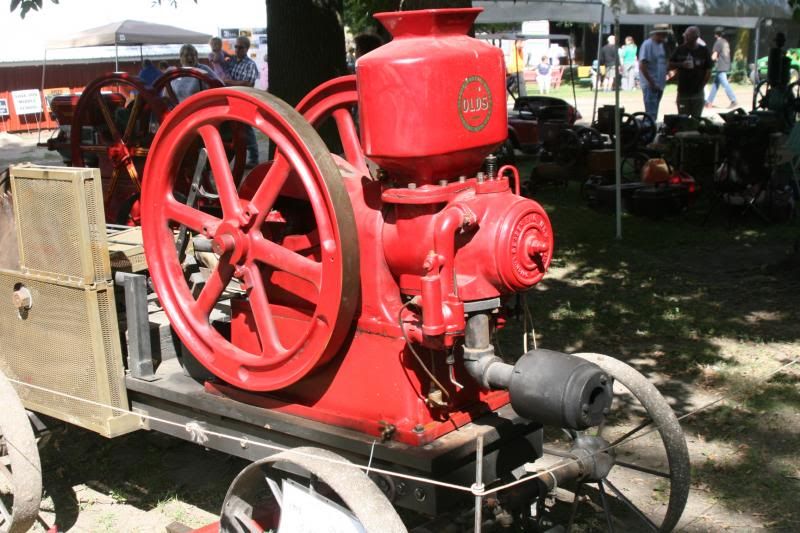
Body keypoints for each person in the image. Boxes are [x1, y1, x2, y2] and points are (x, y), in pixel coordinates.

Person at [224, 36, 260, 167]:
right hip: (231, 100)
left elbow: (248, 84)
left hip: (244, 101)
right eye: (236, 47)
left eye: (241, 47)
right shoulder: (231, 62)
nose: (238, 49)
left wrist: (230, 82)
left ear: (247, 49)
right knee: (234, 130)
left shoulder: (250, 64)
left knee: (247, 129)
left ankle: (254, 159)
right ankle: (237, 158)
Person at [668, 26, 711, 118]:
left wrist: (703, 84)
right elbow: (669, 65)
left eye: (687, 36)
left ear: (695, 38)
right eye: (685, 35)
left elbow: (708, 70)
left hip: (698, 92)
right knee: (683, 117)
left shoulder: (704, 51)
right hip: (683, 91)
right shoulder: (680, 49)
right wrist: (681, 65)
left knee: (696, 118)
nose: (685, 37)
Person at [639, 24, 671, 120]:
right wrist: (651, 82)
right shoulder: (648, 45)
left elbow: (663, 62)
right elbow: (642, 65)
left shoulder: (661, 45)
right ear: (657, 34)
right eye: (664, 34)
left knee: (654, 111)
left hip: (659, 84)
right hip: (650, 84)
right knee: (651, 112)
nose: (665, 37)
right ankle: (648, 132)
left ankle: (650, 129)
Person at [705, 27, 738, 109]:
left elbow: (714, 56)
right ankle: (709, 102)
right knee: (715, 84)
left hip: (721, 66)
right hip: (726, 64)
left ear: (715, 34)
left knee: (725, 84)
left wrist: (707, 60)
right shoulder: (725, 42)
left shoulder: (718, 43)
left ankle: (733, 100)